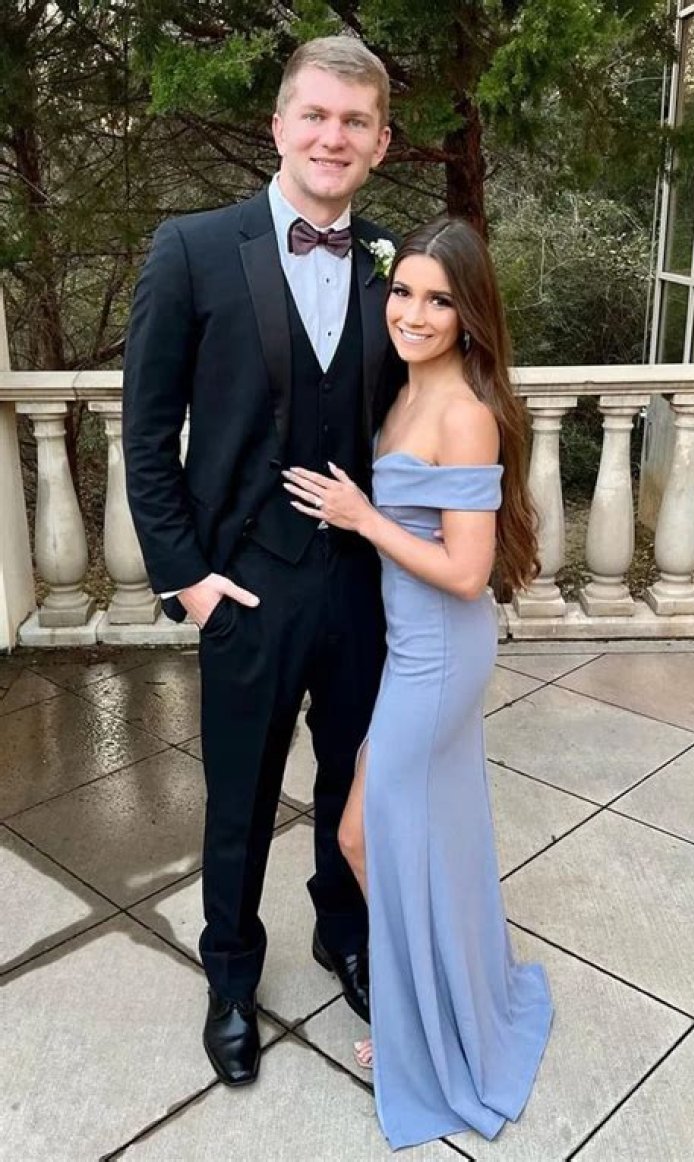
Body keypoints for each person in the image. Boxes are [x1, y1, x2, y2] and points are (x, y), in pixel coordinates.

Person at [122, 36, 404, 1087]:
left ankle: (344, 931)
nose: (333, 136)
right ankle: (232, 975)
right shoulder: (192, 248)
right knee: (238, 796)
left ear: (380, 143)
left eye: (355, 121)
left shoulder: (395, 266)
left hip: (361, 583)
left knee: (354, 778)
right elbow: (146, 434)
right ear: (279, 125)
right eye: (315, 115)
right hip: (243, 583)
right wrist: (190, 582)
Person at [283, 217, 554, 1148]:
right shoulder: (403, 391)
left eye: (440, 300)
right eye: (403, 291)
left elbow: (469, 572)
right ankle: (441, 1006)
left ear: (470, 315)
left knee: (364, 835)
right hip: (413, 650)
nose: (414, 313)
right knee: (419, 835)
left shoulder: (463, 414)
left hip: (440, 653)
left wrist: (363, 516)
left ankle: (431, 1030)